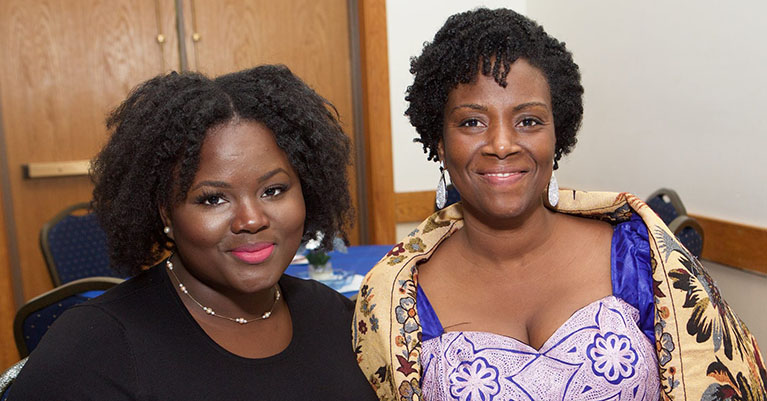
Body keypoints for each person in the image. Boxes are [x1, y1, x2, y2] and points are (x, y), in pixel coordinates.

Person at [353, 8, 766, 401]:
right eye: (472, 122)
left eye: (528, 121)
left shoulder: (639, 255)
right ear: (441, 144)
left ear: (557, 135)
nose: (502, 144)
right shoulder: (399, 301)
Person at [11, 65, 377, 400]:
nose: (251, 220)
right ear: (165, 212)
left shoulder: (334, 316)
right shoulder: (93, 350)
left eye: (273, 190)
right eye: (213, 199)